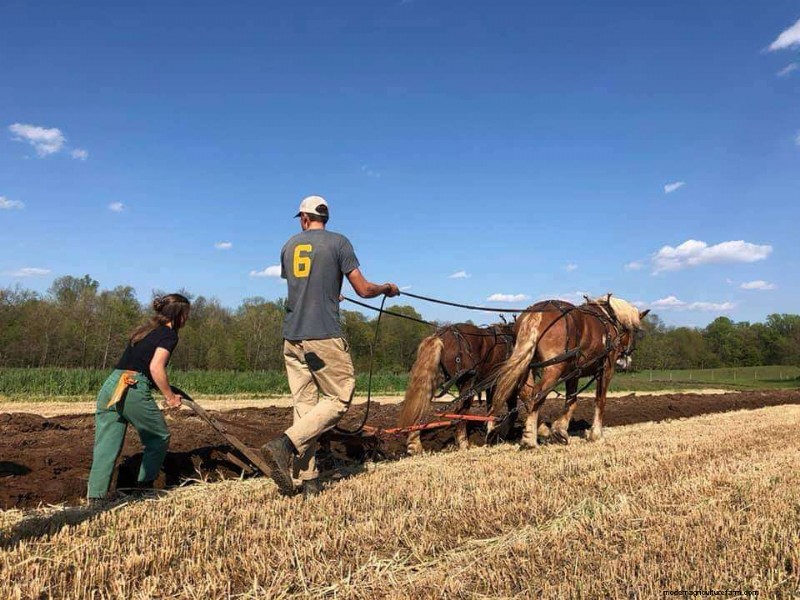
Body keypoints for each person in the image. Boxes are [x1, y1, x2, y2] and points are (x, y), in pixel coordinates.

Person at [261, 195, 399, 497]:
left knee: (305, 408)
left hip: (292, 336)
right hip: (322, 334)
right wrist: (385, 289)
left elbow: (302, 285)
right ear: (323, 217)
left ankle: (308, 481)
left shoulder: (288, 245)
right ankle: (283, 444)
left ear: (305, 218)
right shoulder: (339, 243)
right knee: (339, 396)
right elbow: (363, 290)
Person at [86, 293, 191, 502]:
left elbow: (139, 363)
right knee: (158, 437)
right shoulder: (169, 335)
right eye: (187, 314)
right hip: (132, 388)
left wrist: (168, 389)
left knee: (106, 445)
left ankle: (95, 499)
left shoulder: (146, 331)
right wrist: (170, 397)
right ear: (179, 314)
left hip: (111, 385)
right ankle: (143, 490)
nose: (187, 318)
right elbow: (155, 367)